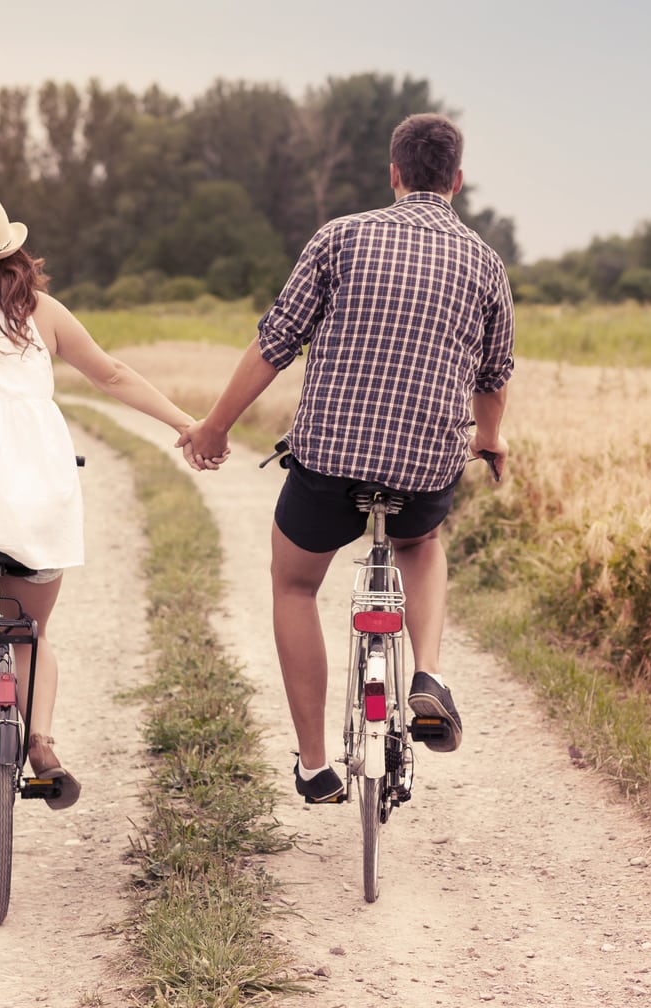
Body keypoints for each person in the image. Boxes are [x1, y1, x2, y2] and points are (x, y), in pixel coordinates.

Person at [177, 113, 514, 804]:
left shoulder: (341, 238)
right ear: (456, 179)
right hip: (423, 468)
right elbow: (494, 374)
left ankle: (313, 764)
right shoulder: (485, 261)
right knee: (420, 542)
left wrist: (215, 426)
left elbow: (275, 343)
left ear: (393, 174)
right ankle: (428, 675)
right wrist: (489, 439)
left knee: (294, 584)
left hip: (329, 461)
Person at [0, 188, 196, 809]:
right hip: (34, 495)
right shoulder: (43, 314)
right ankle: (41, 741)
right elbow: (112, 375)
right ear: (11, 257)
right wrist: (185, 423)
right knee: (31, 626)